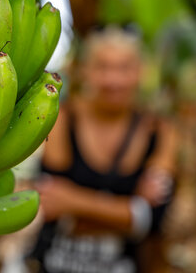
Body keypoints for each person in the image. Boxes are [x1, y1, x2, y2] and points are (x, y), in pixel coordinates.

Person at [27, 26, 177, 273]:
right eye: (103, 67)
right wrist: (127, 210)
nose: (113, 80)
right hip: (54, 262)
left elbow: (153, 219)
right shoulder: (62, 118)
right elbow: (51, 203)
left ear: (140, 72)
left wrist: (73, 201)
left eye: (124, 68)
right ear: (85, 71)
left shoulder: (160, 131)